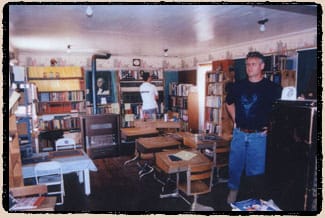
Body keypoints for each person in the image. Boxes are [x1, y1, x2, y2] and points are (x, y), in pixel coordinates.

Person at [225, 51, 282, 204]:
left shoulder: (272, 88)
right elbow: (228, 103)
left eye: (253, 64)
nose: (249, 68)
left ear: (262, 66)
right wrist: (235, 119)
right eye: (247, 65)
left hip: (259, 136)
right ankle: (233, 191)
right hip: (239, 133)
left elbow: (280, 111)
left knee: (256, 170)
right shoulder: (238, 86)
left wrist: (271, 126)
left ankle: (256, 199)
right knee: (235, 165)